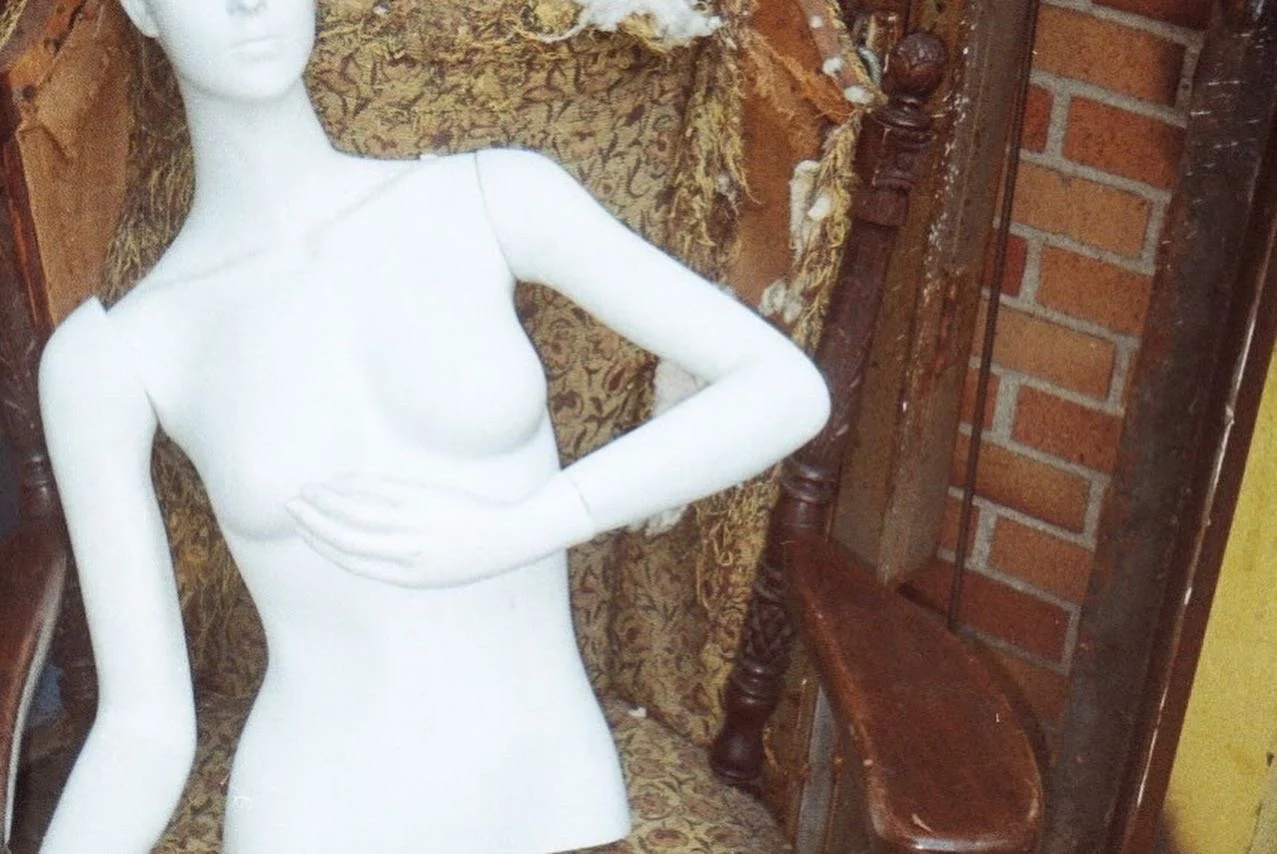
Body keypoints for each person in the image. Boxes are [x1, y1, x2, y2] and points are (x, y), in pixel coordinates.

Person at [36, 0, 830, 851]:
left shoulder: (490, 198)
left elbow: (785, 390)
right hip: (314, 814)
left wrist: (526, 525)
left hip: (542, 792)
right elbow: (142, 728)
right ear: (142, 9)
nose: (248, 4)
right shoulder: (113, 357)